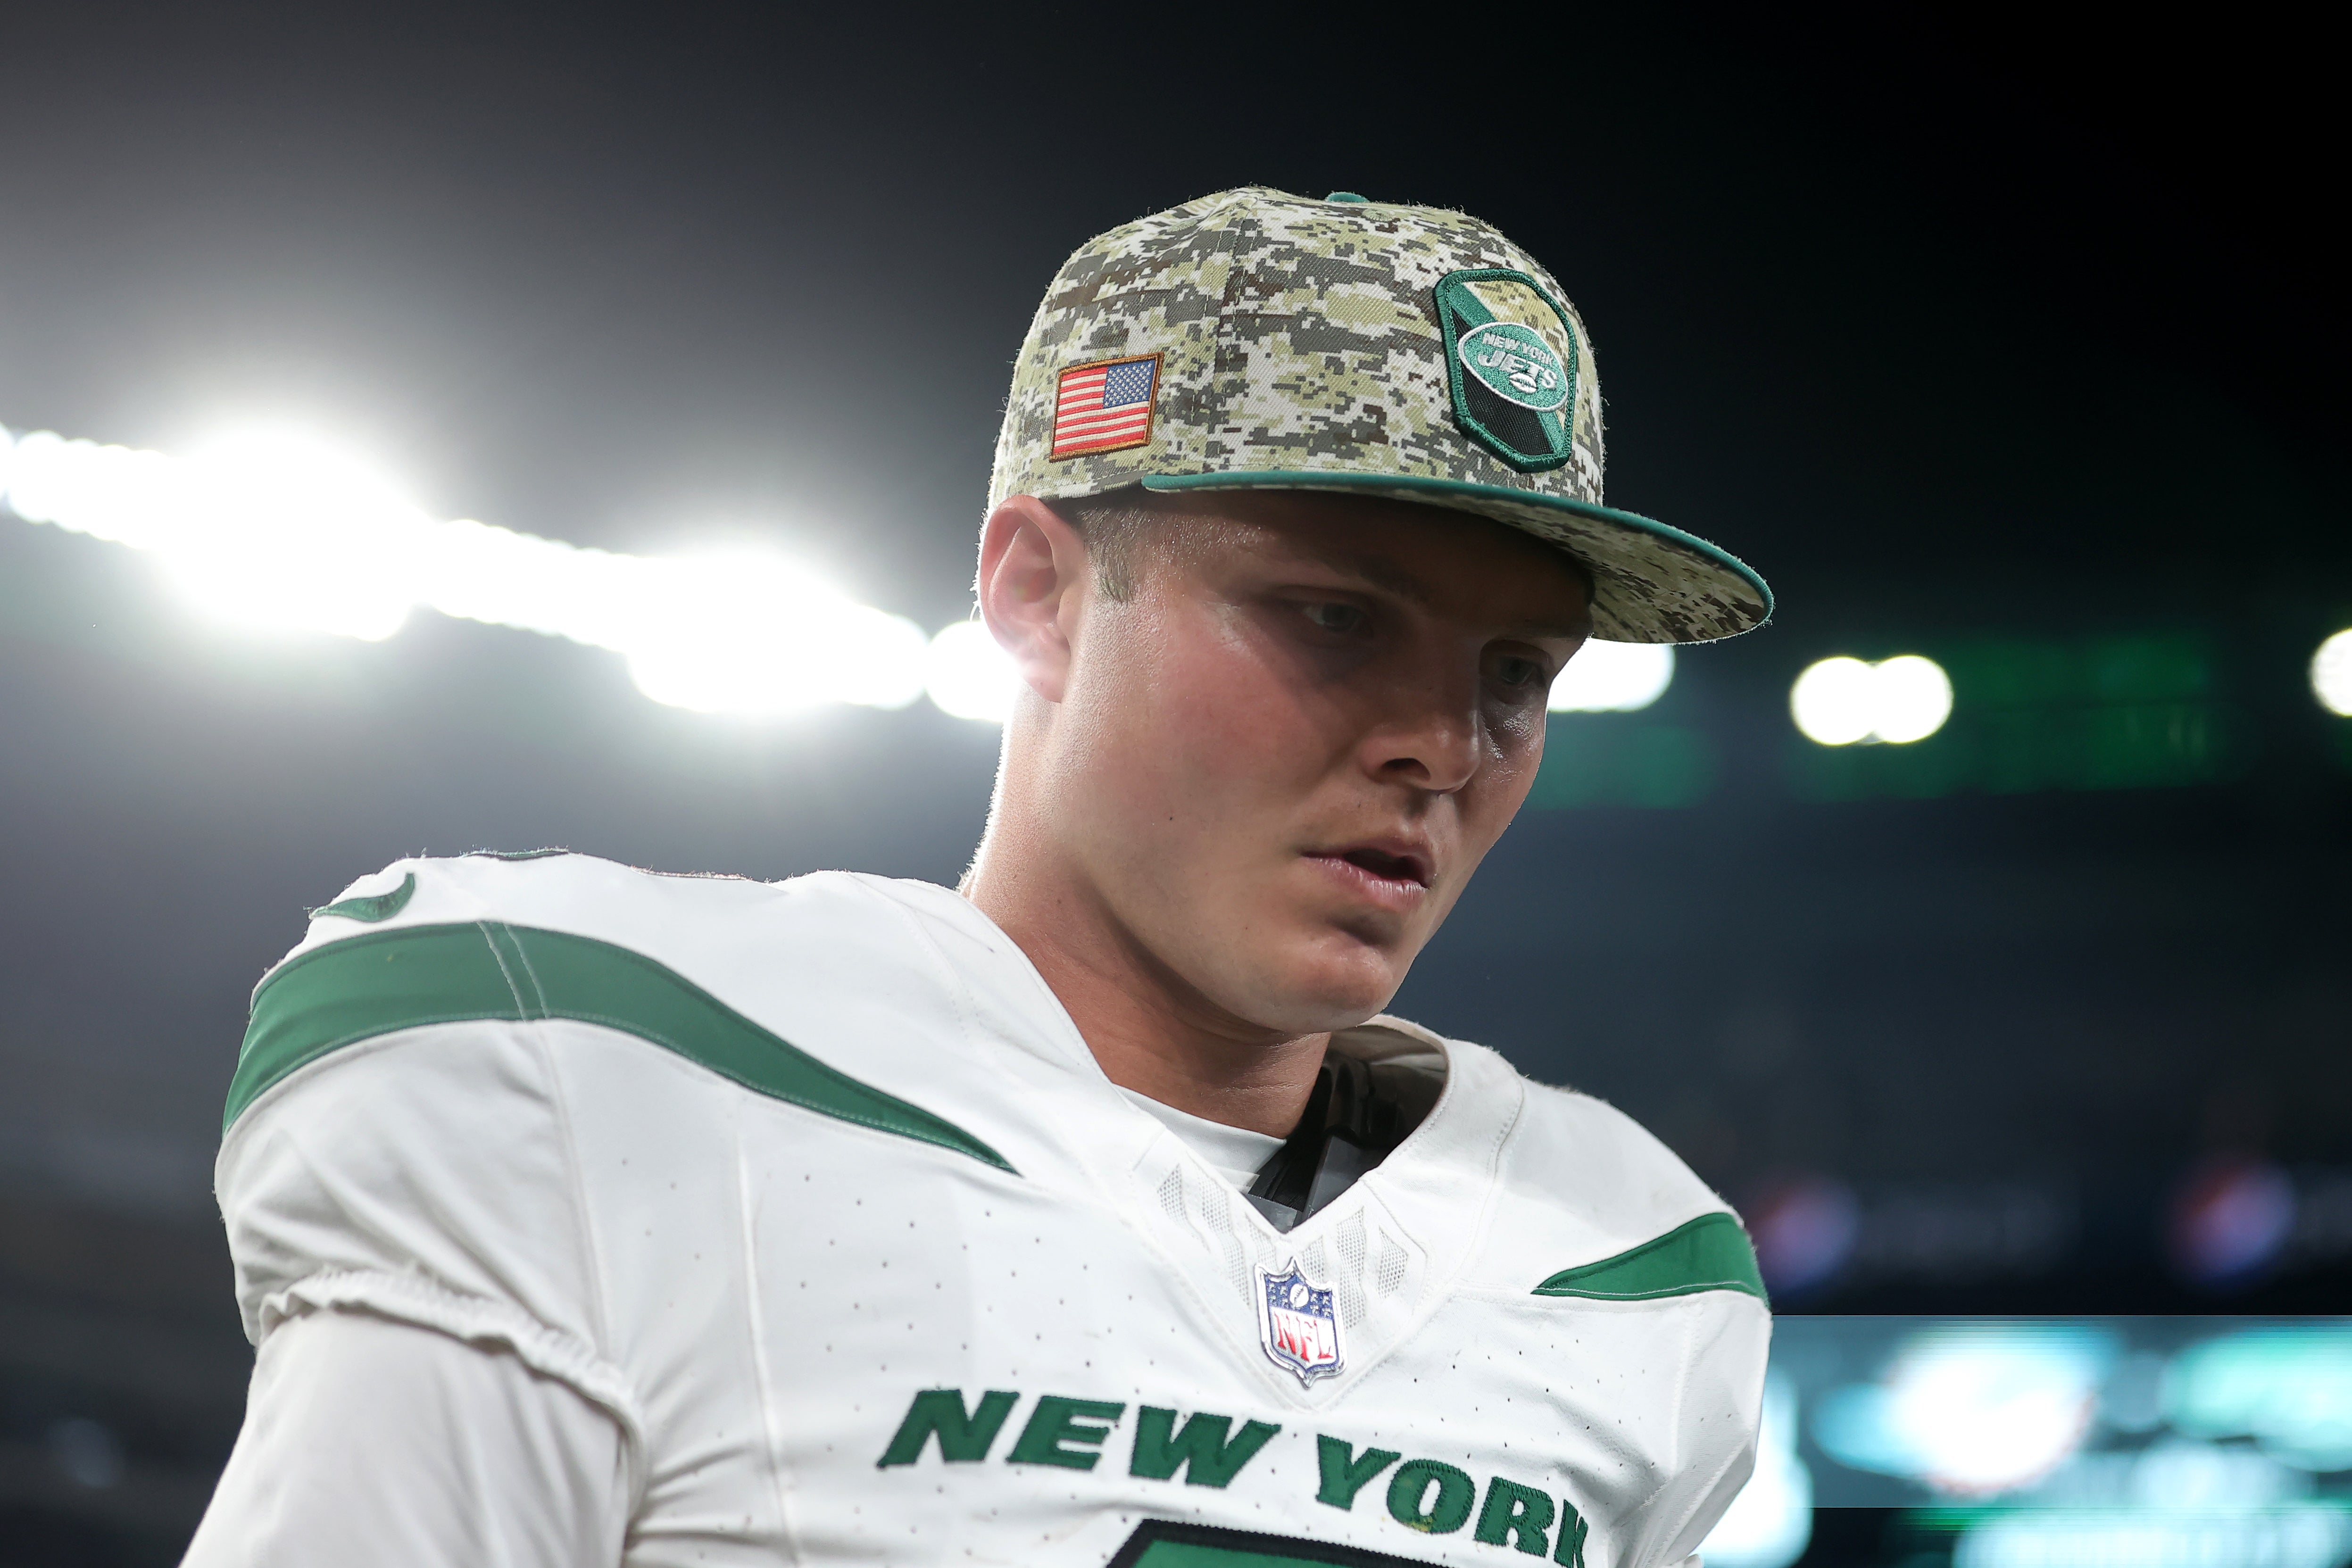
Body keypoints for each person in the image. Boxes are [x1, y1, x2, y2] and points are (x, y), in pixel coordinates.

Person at [184, 187, 1775, 1568]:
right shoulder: (595, 1067)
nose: (1442, 741)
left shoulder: (1625, 1267)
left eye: (1515, 671)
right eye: (1334, 620)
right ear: (1038, 598)